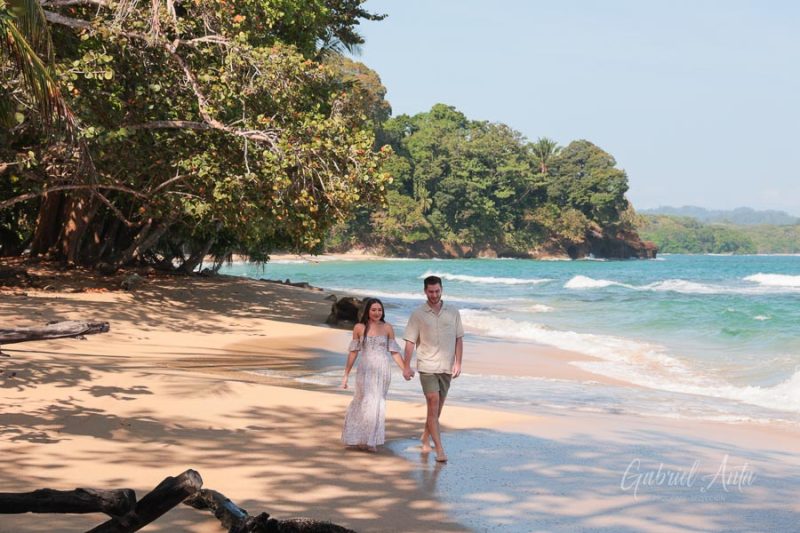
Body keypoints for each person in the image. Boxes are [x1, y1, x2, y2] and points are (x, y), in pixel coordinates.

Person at [402, 275, 463, 463]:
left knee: (436, 409)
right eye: (431, 292)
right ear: (425, 291)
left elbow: (458, 339)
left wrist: (458, 363)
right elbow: (410, 341)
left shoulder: (453, 312)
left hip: (446, 367)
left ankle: (426, 436)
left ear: (442, 289)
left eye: (437, 291)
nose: (434, 295)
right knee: (433, 402)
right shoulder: (418, 314)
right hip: (427, 366)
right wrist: (406, 366)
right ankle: (440, 450)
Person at [341, 298, 408, 452]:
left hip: (382, 369)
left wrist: (405, 368)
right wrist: (346, 375)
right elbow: (353, 353)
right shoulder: (359, 328)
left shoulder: (387, 327)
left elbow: (394, 352)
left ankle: (370, 440)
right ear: (367, 311)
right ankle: (359, 438)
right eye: (373, 310)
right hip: (365, 369)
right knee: (362, 400)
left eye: (379, 310)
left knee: (376, 401)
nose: (377, 313)